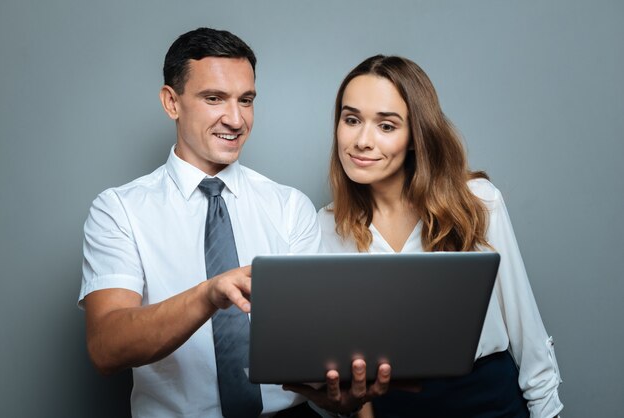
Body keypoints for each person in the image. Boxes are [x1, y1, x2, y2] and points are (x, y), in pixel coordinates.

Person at [78, 28, 388, 418]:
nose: (236, 119)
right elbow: (106, 347)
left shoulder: (289, 207)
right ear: (171, 102)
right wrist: (208, 295)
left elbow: (313, 340)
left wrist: (337, 395)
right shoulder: (118, 210)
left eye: (246, 100)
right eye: (214, 99)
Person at [318, 55, 564, 418]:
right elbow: (349, 355)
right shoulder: (326, 227)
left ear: (416, 137)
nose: (362, 141)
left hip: (487, 399)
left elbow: (525, 327)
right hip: (392, 405)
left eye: (386, 126)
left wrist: (548, 411)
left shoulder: (477, 201)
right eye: (351, 119)